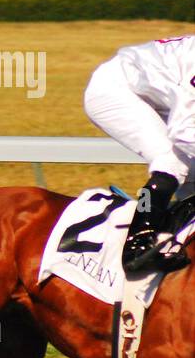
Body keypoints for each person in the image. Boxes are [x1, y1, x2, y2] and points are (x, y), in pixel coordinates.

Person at [83, 33, 195, 272]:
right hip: (114, 91)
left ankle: (171, 232)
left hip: (157, 98)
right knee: (173, 160)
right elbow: (184, 131)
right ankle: (137, 243)